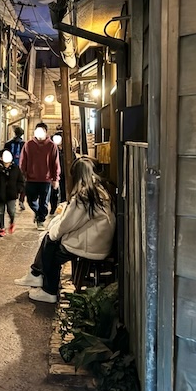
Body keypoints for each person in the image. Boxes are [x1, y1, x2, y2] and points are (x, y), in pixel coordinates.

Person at [14, 156, 116, 303]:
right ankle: (36, 275)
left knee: (51, 248)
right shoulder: (98, 191)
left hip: (92, 246)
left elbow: (67, 223)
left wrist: (53, 232)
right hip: (98, 242)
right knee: (51, 240)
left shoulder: (84, 196)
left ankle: (47, 289)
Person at [19, 122, 60, 230]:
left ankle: (41, 220)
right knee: (30, 200)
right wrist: (22, 174)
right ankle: (38, 214)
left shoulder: (51, 145)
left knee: (44, 202)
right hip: (30, 178)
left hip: (46, 179)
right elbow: (23, 161)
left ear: (46, 132)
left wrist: (56, 179)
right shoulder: (29, 144)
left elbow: (55, 163)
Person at [0, 149, 25, 237]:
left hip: (11, 195)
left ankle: (12, 222)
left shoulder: (16, 170)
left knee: (11, 211)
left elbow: (21, 181)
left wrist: (18, 190)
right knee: (0, 211)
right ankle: (2, 228)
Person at [5, 126, 26, 211]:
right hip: (18, 167)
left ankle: (14, 202)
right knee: (21, 184)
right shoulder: (24, 144)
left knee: (12, 184)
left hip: (13, 167)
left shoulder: (9, 143)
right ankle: (20, 201)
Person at [49, 131, 66, 215]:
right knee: (53, 192)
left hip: (64, 174)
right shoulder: (50, 150)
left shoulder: (67, 151)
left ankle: (63, 207)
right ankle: (53, 207)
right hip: (54, 174)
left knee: (64, 191)